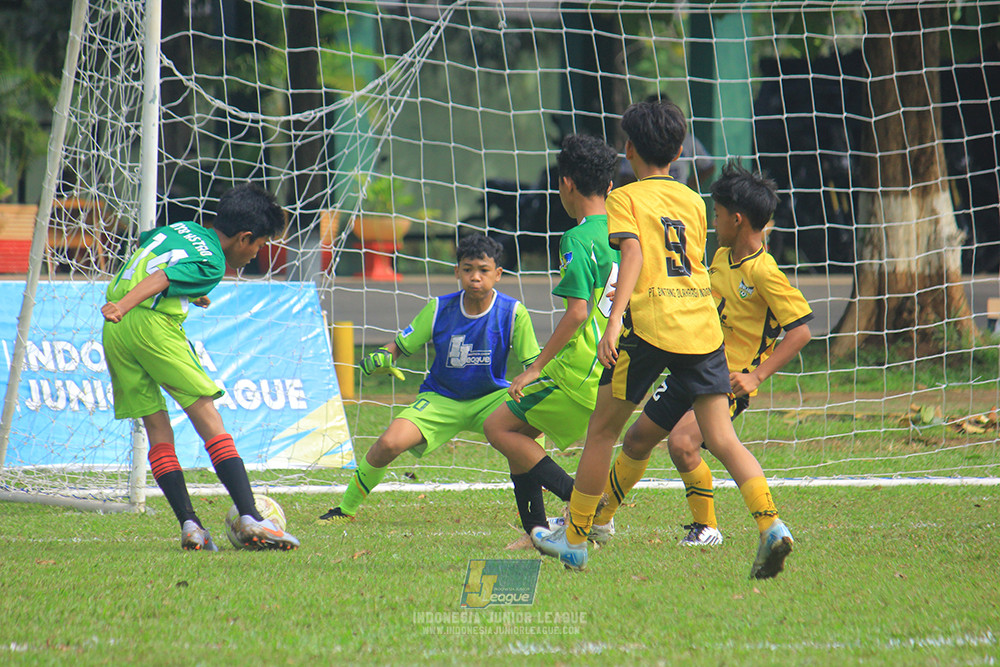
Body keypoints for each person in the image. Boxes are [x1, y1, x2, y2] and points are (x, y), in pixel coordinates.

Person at [531, 100, 795, 580]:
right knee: (722, 437)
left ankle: (573, 540)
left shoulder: (624, 198)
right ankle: (771, 524)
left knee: (603, 432)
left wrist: (613, 324)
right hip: (701, 327)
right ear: (677, 151)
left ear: (627, 148)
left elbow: (632, 253)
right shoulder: (695, 201)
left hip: (651, 325)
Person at [591, 160, 813, 549]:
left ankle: (715, 526)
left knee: (683, 442)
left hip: (726, 380)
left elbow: (801, 331)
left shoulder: (765, 272)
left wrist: (756, 377)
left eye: (718, 214)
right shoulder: (721, 259)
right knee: (637, 439)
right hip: (693, 360)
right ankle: (601, 521)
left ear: (738, 219)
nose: (713, 222)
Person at [101, 183, 300, 551]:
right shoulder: (214, 263)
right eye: (259, 246)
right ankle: (251, 516)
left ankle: (191, 526)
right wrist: (126, 305)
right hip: (151, 326)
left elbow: (156, 258)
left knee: (157, 428)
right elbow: (161, 277)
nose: (256, 254)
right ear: (244, 238)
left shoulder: (182, 229)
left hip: (116, 336)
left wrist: (190, 290)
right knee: (209, 419)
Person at [318, 234, 540, 522]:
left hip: (490, 398)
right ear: (456, 271)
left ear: (497, 274)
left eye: (483, 271)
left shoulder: (513, 312)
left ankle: (542, 500)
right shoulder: (438, 309)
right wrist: (382, 357)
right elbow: (398, 346)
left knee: (533, 420)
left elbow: (534, 366)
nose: (475, 277)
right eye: (468, 269)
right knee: (388, 443)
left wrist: (531, 387)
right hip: (440, 399)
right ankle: (345, 509)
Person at [482, 134, 620, 549]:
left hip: (577, 370)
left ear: (566, 184)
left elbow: (578, 312)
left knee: (497, 427)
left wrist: (537, 365)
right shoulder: (626, 231)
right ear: (610, 186)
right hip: (614, 369)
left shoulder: (577, 239)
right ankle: (537, 532)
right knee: (520, 434)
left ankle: (583, 511)